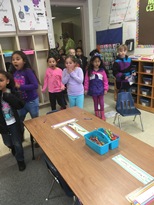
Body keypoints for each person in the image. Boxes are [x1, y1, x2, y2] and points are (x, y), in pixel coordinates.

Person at [0, 70, 26, 171]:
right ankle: (13, 148)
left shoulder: (12, 92)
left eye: (1, 80)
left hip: (14, 123)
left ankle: (20, 160)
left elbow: (20, 105)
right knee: (8, 143)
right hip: (3, 126)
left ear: (7, 81)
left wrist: (8, 96)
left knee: (17, 143)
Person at [12, 50, 39, 141]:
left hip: (31, 101)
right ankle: (21, 138)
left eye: (17, 59)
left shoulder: (28, 71)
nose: (15, 61)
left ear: (24, 61)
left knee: (35, 122)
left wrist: (20, 86)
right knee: (19, 121)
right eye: (13, 59)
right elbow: (16, 88)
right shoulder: (15, 73)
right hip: (21, 102)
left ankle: (37, 139)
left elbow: (35, 85)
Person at [84, 53, 109, 120]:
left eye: (98, 61)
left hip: (101, 90)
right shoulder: (89, 71)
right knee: (95, 102)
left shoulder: (102, 71)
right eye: (95, 61)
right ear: (92, 62)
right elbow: (86, 80)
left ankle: (102, 114)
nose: (97, 63)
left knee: (101, 102)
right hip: (93, 90)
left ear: (100, 62)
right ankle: (97, 114)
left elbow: (105, 81)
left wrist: (106, 89)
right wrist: (86, 89)